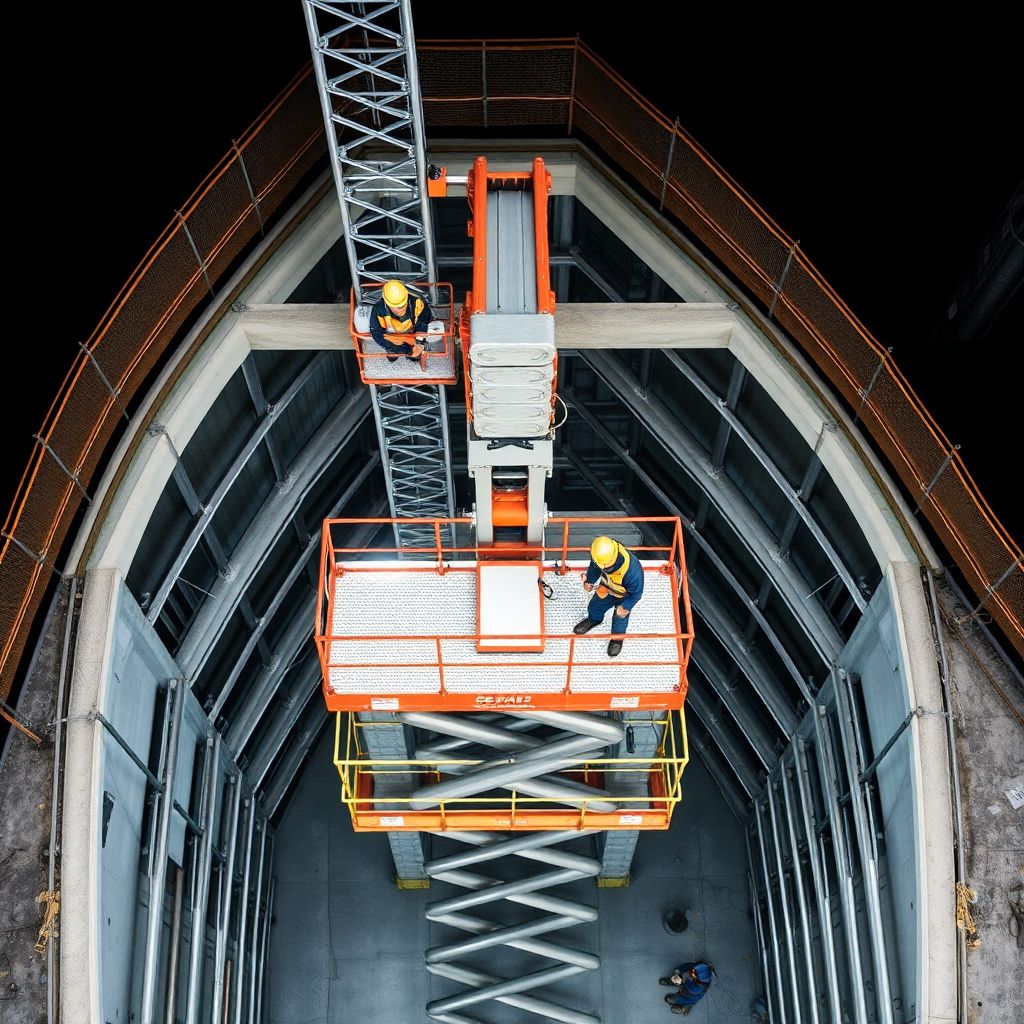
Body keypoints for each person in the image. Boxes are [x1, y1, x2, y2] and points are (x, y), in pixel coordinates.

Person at [572, 535, 645, 657]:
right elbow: (595, 568)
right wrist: (589, 580)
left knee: (620, 619)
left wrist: (626, 606)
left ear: (610, 563)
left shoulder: (633, 572)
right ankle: (594, 620)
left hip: (624, 596)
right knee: (595, 606)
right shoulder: (602, 555)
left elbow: (636, 594)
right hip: (606, 588)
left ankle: (617, 640)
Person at [368, 279, 433, 363]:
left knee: (416, 356)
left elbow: (423, 321)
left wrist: (419, 342)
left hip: (412, 334)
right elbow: (376, 333)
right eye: (397, 307)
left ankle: (414, 357)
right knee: (392, 355)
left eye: (403, 305)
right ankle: (394, 353)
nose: (401, 309)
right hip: (392, 338)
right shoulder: (378, 310)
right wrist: (399, 349)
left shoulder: (417, 302)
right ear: (387, 303)